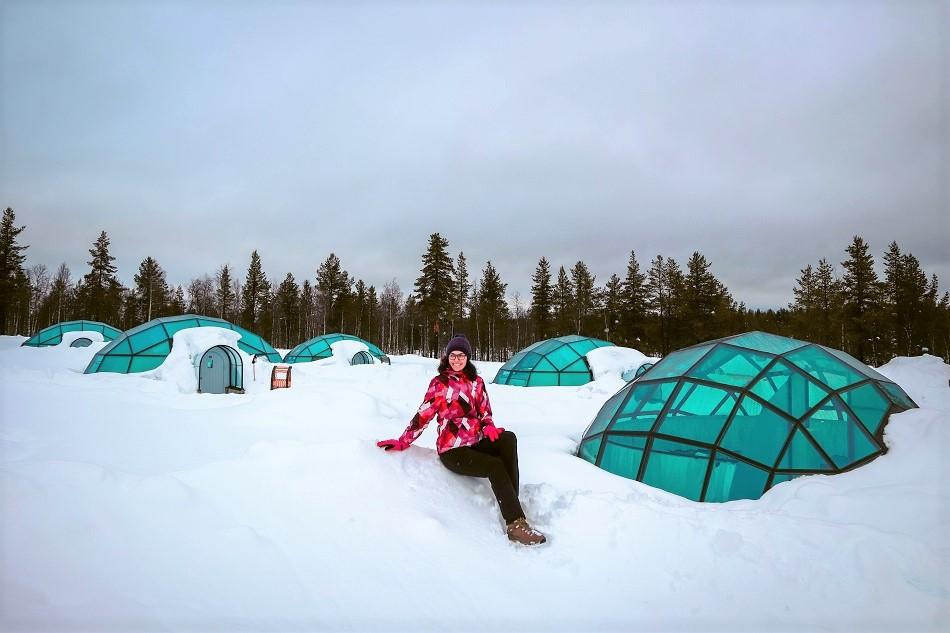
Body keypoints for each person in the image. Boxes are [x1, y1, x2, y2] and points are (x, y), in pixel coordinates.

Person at [376, 334, 547, 546]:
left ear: (468, 358)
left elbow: (485, 411)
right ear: (447, 358)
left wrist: (489, 426)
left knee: (508, 439)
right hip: (453, 450)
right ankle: (515, 524)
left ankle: (511, 499)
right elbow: (424, 415)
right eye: (453, 355)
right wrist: (404, 440)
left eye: (461, 355)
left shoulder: (477, 382)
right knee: (494, 466)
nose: (457, 359)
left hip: (475, 441)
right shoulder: (440, 384)